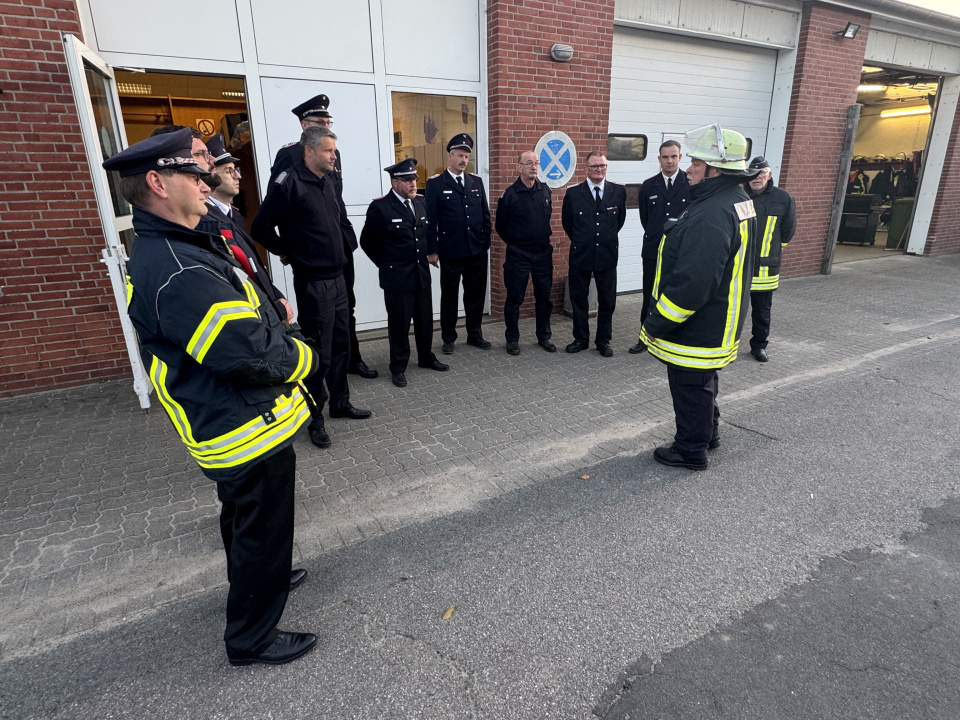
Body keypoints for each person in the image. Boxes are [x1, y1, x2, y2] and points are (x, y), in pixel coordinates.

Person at [105, 128, 319, 666]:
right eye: (193, 173)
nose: (206, 182)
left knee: (246, 520)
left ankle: (258, 578)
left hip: (235, 418)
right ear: (157, 183)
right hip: (241, 424)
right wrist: (306, 358)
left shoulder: (179, 246)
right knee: (262, 526)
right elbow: (248, 355)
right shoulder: (177, 267)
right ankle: (252, 637)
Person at [640, 124, 758, 471]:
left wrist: (656, 323)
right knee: (704, 382)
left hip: (701, 324)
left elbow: (694, 284)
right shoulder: (737, 200)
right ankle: (708, 434)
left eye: (695, 163)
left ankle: (690, 450)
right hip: (719, 319)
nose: (688, 169)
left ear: (715, 170)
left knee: (690, 386)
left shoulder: (712, 213)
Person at [252, 126, 372, 451]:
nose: (334, 156)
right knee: (319, 353)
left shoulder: (328, 180)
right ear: (309, 151)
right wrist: (288, 251)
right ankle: (314, 418)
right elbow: (260, 227)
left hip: (338, 278)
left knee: (342, 345)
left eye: (334, 150)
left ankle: (341, 403)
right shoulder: (288, 183)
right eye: (328, 151)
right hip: (314, 284)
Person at [270, 93, 377, 379]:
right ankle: (319, 375)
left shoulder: (333, 153)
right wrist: (287, 248)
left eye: (329, 122)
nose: (326, 126)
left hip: (340, 242)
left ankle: (352, 360)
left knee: (346, 307)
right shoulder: (289, 155)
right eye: (320, 121)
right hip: (312, 252)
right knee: (319, 319)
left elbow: (334, 198)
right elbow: (279, 206)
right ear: (305, 125)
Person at [359, 158, 449, 387]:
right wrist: (387, 264)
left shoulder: (420, 201)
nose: (413, 184)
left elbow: (427, 233)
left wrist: (431, 252)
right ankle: (398, 366)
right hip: (397, 278)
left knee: (425, 320)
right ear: (394, 182)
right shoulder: (381, 207)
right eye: (407, 180)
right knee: (399, 324)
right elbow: (367, 242)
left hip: (421, 273)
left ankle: (426, 357)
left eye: (414, 179)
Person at [198, 134, 296, 327]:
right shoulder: (207, 221)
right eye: (229, 171)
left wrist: (277, 298)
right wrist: (275, 307)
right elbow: (238, 276)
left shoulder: (232, 214)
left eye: (236, 170)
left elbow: (254, 267)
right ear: (211, 175)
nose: (238, 176)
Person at [425, 133, 492, 354]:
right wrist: (432, 250)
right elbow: (430, 220)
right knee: (450, 296)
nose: (463, 160)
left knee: (475, 295)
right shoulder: (436, 184)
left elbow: (484, 215)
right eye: (460, 155)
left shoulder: (476, 182)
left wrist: (485, 241)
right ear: (450, 156)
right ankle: (448, 337)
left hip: (476, 250)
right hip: (451, 250)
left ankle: (475, 334)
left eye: (466, 156)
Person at [560, 151, 627, 357]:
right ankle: (581, 338)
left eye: (603, 166)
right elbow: (567, 223)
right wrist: (584, 239)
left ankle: (603, 340)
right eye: (595, 166)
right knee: (579, 299)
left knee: (607, 301)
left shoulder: (618, 191)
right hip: (581, 254)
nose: (599, 169)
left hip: (607, 254)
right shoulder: (574, 193)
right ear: (586, 168)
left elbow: (619, 221)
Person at [629, 140, 690, 354]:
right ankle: (645, 337)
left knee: (677, 294)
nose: (669, 161)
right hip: (653, 250)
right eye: (665, 157)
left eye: (673, 156)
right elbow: (646, 219)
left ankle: (673, 337)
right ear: (659, 159)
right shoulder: (648, 186)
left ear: (680, 157)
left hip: (681, 252)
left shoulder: (690, 184)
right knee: (650, 295)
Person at [495, 150, 556, 355]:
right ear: (519, 167)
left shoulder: (545, 191)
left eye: (536, 163)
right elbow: (501, 226)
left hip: (542, 254)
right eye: (529, 163)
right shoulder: (510, 194)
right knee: (514, 298)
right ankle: (512, 338)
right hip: (519, 255)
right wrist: (516, 243)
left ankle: (544, 336)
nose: (533, 167)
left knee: (544, 297)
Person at [745, 156, 797, 362]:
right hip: (739, 266)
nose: (757, 177)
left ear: (769, 175)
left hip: (766, 269)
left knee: (762, 311)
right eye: (753, 174)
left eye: (762, 173)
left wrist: (772, 252)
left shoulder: (783, 198)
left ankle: (759, 345)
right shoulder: (739, 196)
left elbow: (787, 231)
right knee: (732, 310)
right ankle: (728, 345)